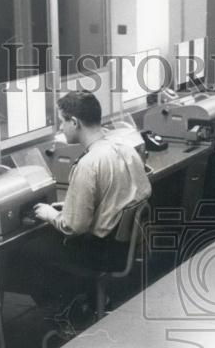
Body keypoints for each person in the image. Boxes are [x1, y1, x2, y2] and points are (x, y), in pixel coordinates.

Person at [18, 90, 152, 305]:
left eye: (62, 122)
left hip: (102, 253)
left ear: (74, 122)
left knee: (28, 251)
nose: (61, 128)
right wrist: (73, 204)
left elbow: (74, 227)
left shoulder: (88, 164)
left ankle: (65, 313)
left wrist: (50, 213)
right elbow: (132, 193)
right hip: (124, 245)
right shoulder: (125, 149)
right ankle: (88, 297)